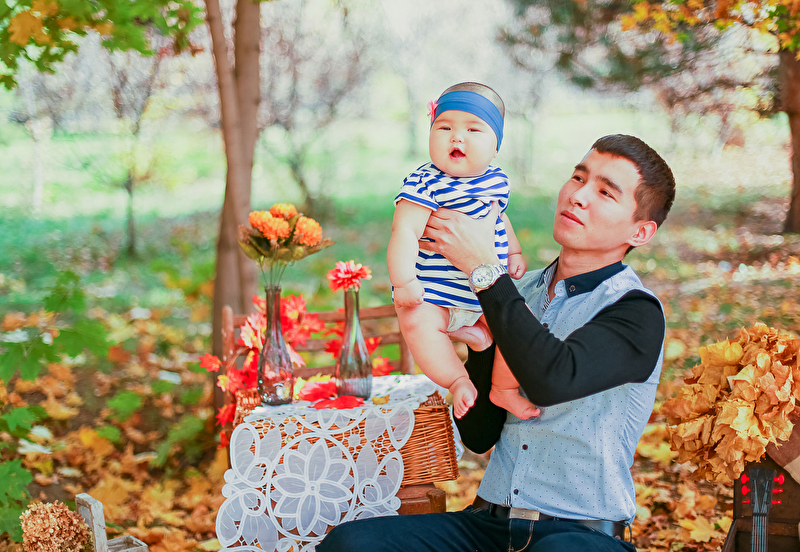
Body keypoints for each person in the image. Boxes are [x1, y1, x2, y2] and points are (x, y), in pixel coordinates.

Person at [318, 133, 676, 552]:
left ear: (640, 231)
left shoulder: (635, 311)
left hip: (581, 535)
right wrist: (481, 349)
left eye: (605, 192)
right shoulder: (516, 291)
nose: (578, 196)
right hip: (486, 526)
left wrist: (483, 268)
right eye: (578, 178)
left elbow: (552, 379)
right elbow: (479, 435)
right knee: (352, 544)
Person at [387, 81, 540, 420]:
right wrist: (404, 281)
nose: (457, 137)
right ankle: (457, 380)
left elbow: (500, 217)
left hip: (486, 294)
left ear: (496, 146)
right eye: (444, 128)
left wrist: (514, 252)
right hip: (434, 295)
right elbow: (405, 231)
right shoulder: (424, 182)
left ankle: (504, 389)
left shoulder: (496, 180)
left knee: (519, 327)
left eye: (473, 129)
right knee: (417, 325)